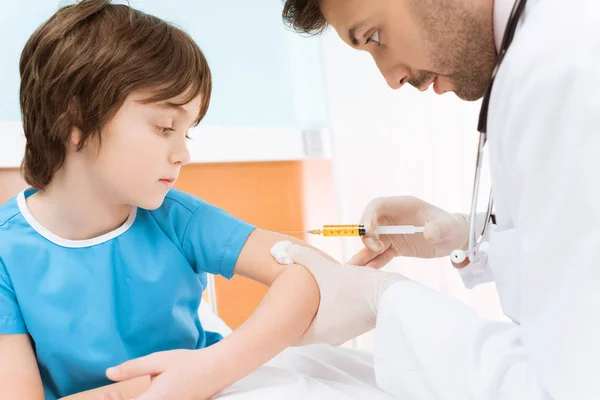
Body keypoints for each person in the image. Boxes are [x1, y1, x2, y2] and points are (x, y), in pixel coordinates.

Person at [0, 1, 332, 399]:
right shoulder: (7, 254)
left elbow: (309, 273)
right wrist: (146, 390)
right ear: (77, 124)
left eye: (187, 133)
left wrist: (213, 366)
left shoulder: (180, 220)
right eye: (165, 128)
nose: (183, 154)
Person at [280, 0, 600, 398]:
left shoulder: (563, 69)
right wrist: (469, 232)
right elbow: (572, 232)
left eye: (374, 36)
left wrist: (386, 301)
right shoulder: (537, 53)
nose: (391, 79)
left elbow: (567, 386)